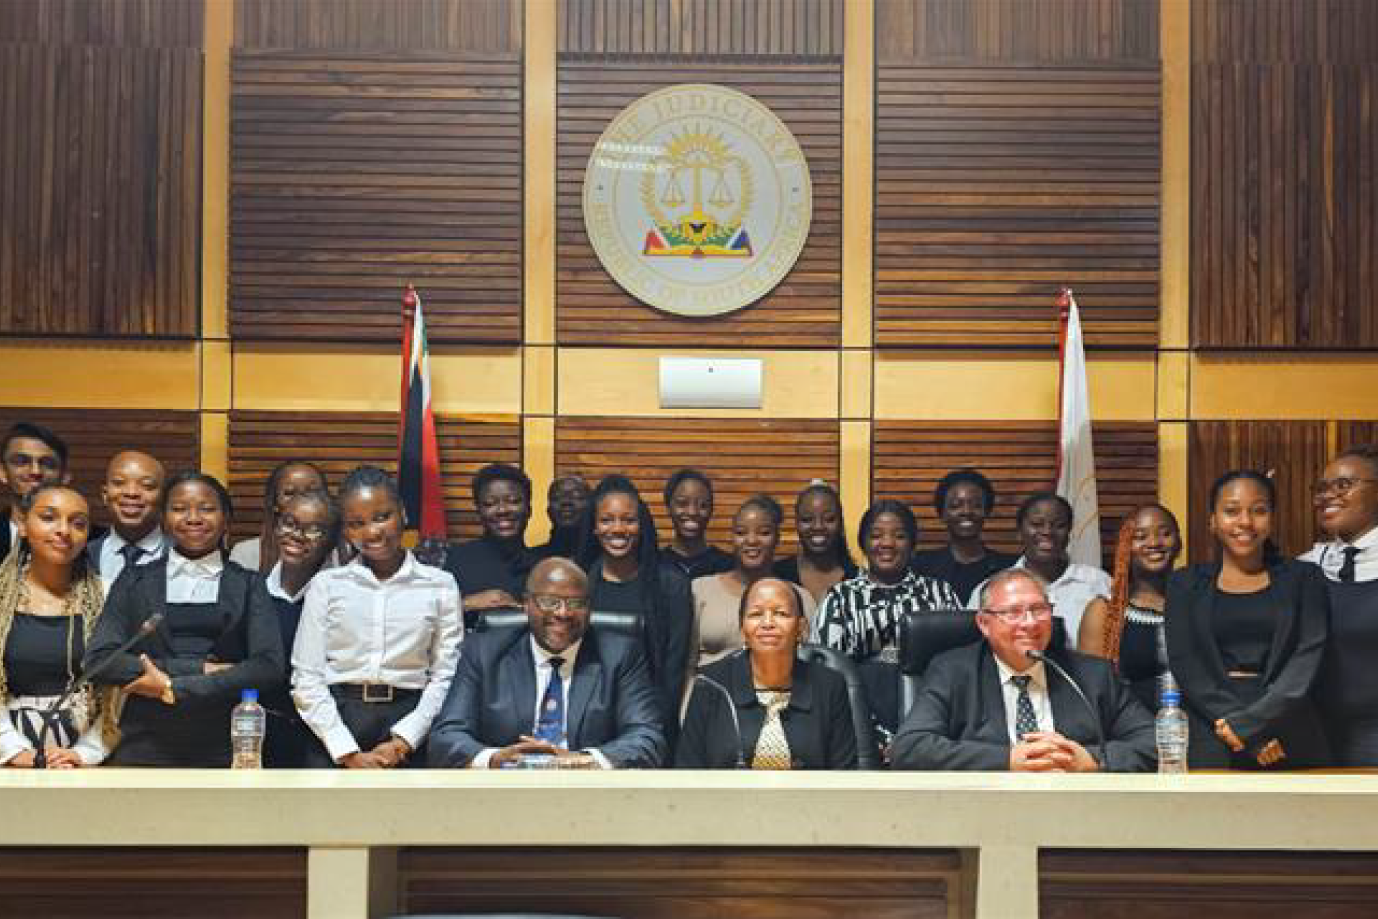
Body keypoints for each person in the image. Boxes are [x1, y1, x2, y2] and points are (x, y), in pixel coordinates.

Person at [84, 472, 285, 767]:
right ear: (163, 519)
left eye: (207, 508)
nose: (193, 518)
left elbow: (269, 667)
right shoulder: (134, 580)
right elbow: (100, 660)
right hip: (143, 739)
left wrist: (170, 687)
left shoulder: (249, 584)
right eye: (179, 509)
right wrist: (200, 668)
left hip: (229, 741)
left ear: (227, 518)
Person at [891, 568, 1156, 773]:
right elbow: (910, 748)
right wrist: (1008, 759)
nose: (1029, 623)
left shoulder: (1092, 675)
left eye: (1039, 610)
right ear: (984, 623)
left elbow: (1157, 744)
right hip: (985, 813)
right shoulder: (953, 671)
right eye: (1013, 612)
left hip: (1076, 812)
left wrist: (1093, 759)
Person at [291, 465, 462, 769]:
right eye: (356, 523)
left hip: (411, 720)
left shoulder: (440, 584)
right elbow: (307, 676)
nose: (372, 532)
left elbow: (445, 676)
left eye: (383, 516)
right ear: (345, 530)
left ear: (403, 514)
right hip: (335, 722)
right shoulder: (328, 584)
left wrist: (403, 740)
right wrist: (346, 751)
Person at [428, 557, 665, 769]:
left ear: (589, 608)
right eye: (549, 601)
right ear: (527, 604)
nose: (563, 613)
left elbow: (646, 737)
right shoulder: (483, 652)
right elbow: (447, 735)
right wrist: (496, 758)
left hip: (588, 795)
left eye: (575, 604)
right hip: (505, 793)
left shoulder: (619, 655)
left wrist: (585, 761)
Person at [1165, 470, 1330, 770]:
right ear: (1213, 520)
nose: (1245, 522)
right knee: (1211, 816)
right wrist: (1241, 728)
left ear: (1272, 518)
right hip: (1211, 725)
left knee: (1298, 817)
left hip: (1288, 725)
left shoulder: (1305, 578)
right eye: (1231, 511)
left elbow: (1307, 657)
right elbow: (1185, 661)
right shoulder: (1184, 583)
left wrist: (1254, 722)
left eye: (1259, 510)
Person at [677, 578, 859, 770]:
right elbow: (687, 770)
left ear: (801, 627)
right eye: (756, 614)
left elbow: (845, 774)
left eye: (780, 613)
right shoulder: (711, 684)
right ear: (742, 629)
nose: (768, 623)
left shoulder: (829, 685)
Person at [0, 485, 114, 768]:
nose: (64, 530)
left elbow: (119, 690)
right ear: (24, 525)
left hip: (88, 760)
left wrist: (86, 753)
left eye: (78, 523)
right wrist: (15, 753)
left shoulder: (109, 594)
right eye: (49, 517)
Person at [577, 474, 693, 745]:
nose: (618, 529)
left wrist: (653, 734)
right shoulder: (578, 583)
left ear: (641, 527)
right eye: (607, 520)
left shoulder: (671, 585)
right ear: (594, 527)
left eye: (628, 520)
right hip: (583, 721)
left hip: (649, 723)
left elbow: (673, 669)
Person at [812, 499, 962, 664]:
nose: (887, 543)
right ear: (863, 544)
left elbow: (957, 661)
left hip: (930, 688)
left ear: (912, 545)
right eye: (876, 536)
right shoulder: (840, 598)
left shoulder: (940, 593)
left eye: (899, 536)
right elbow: (825, 668)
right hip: (858, 688)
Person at [1303, 445, 1378, 765]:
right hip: (1313, 736)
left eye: (1344, 485)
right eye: (1321, 488)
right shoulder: (1304, 568)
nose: (1327, 495)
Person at [690, 496, 815, 674]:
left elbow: (809, 666)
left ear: (777, 538)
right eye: (741, 533)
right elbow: (685, 666)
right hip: (712, 696)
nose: (751, 540)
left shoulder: (799, 597)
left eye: (763, 533)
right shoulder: (700, 590)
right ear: (731, 538)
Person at [1078, 504, 1182, 712]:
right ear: (1124, 546)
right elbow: (1092, 693)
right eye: (1140, 536)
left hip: (1194, 729)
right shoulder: (1105, 612)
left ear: (1179, 542)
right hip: (1130, 732)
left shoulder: (1196, 603)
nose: (1154, 543)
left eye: (1165, 534)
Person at [262, 491, 339, 768]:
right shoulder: (253, 591)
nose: (296, 534)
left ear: (333, 540)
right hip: (261, 734)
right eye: (289, 523)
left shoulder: (342, 597)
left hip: (326, 737)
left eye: (313, 529)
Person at [970, 492, 1111, 642]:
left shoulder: (1099, 583)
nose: (1047, 532)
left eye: (1059, 525)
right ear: (1019, 532)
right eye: (1037, 524)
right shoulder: (991, 588)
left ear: (1069, 533)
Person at [443, 463, 539, 629]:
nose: (502, 510)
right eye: (490, 503)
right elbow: (428, 619)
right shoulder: (457, 559)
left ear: (529, 509)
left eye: (513, 501)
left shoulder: (544, 564)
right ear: (478, 512)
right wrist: (466, 604)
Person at [911, 469, 1016, 601]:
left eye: (976, 505)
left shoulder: (1008, 568)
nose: (966, 511)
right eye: (955, 506)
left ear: (986, 511)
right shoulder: (920, 566)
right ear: (942, 514)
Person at [87, 451, 168, 592]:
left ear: (163, 497)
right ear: (105, 495)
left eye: (147, 485)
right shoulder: (81, 556)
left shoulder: (185, 556)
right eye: (119, 483)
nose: (131, 492)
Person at [229, 461, 330, 574]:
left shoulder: (336, 551)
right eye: (290, 493)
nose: (301, 501)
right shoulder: (247, 552)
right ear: (275, 503)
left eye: (312, 492)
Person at [773, 482, 858, 605]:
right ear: (796, 524)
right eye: (807, 519)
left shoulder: (857, 580)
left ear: (840, 523)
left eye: (829, 519)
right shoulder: (776, 575)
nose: (818, 527)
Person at [0, 423, 70, 561]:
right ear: (2, 472)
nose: (35, 471)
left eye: (47, 464)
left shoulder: (92, 542)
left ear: (64, 476)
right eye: (21, 461)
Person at [660, 469, 734, 581]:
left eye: (702, 505)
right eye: (682, 503)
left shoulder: (729, 566)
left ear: (711, 510)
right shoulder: (654, 564)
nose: (692, 512)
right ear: (668, 507)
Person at [535, 473, 591, 560]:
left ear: (591, 509)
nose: (566, 502)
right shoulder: (532, 560)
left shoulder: (605, 559)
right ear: (548, 511)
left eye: (577, 497)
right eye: (557, 497)